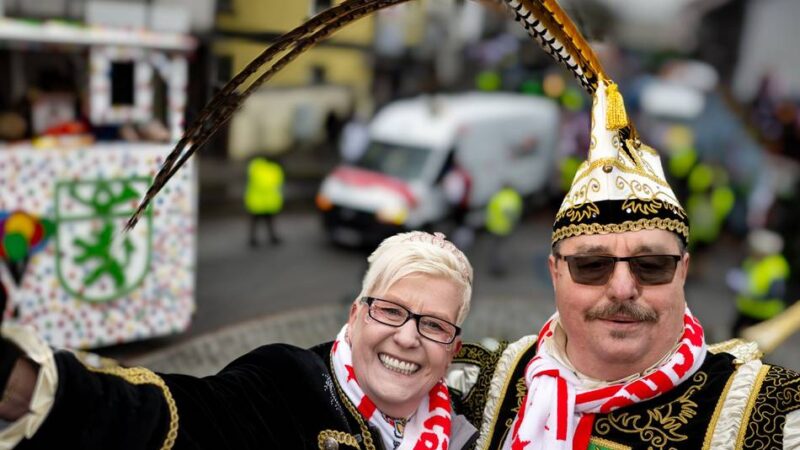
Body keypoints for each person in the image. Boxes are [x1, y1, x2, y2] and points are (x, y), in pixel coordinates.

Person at [444, 2, 800, 448]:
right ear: (555, 272)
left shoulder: (764, 412)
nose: (621, 288)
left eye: (651, 265)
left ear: (683, 271)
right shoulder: (485, 385)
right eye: (591, 266)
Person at [0, 231, 478, 449]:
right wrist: (20, 381)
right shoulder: (285, 382)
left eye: (434, 325)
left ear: (453, 348)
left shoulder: (472, 423)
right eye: (390, 311)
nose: (407, 338)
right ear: (355, 317)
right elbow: (178, 417)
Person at [729, 228, 790, 337]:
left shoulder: (776, 267)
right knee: (735, 333)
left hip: (764, 313)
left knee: (755, 340)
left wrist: (753, 295)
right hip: (746, 307)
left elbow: (776, 293)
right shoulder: (751, 260)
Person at [244, 156, 284, 246]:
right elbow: (278, 185)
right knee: (269, 221)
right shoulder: (275, 169)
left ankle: (253, 239)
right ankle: (272, 237)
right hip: (269, 201)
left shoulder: (255, 167)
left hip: (256, 201)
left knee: (255, 222)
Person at [484, 185, 522, 277]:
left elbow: (489, 211)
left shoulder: (497, 197)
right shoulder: (515, 198)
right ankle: (502, 268)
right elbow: (517, 213)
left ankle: (494, 268)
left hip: (494, 227)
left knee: (495, 249)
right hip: (507, 228)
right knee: (503, 248)